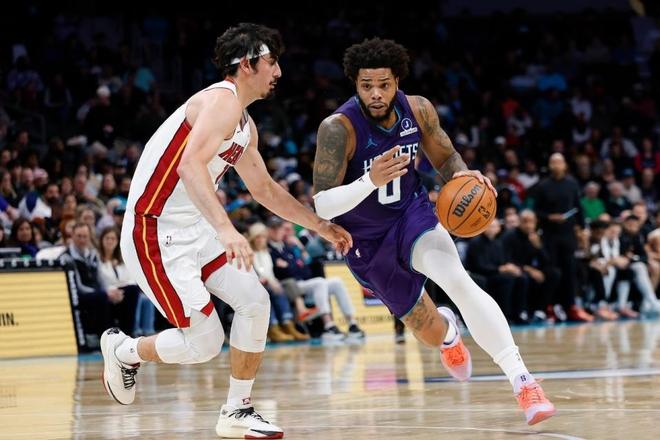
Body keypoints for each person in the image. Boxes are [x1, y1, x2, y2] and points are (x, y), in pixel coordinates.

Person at [100, 23, 351, 439]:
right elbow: (189, 166)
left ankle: (238, 409)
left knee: (255, 301)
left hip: (194, 229)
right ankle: (125, 350)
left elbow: (264, 189)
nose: (279, 72)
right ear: (247, 63)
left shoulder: (244, 124)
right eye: (272, 62)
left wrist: (320, 226)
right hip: (154, 232)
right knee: (203, 343)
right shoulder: (221, 100)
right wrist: (227, 229)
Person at [312, 38, 555, 425]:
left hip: (412, 215)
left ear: (397, 80)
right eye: (366, 85)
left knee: (458, 280)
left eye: (384, 85)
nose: (376, 94)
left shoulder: (418, 109)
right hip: (365, 241)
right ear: (355, 83)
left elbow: (446, 158)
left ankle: (523, 382)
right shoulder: (338, 128)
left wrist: (464, 176)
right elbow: (323, 205)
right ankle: (448, 335)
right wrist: (369, 180)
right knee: (427, 331)